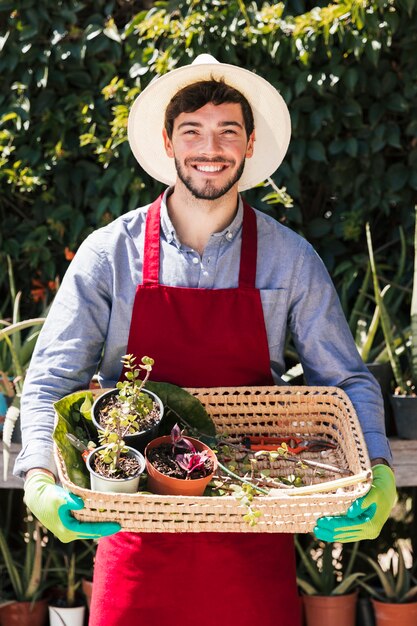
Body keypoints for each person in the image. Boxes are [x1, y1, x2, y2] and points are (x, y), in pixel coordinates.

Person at [16, 55, 396, 626]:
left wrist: (381, 473)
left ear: (247, 146)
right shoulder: (108, 254)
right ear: (168, 143)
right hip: (134, 527)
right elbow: (53, 376)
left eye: (228, 132)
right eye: (192, 130)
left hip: (253, 520)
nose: (209, 148)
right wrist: (41, 478)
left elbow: (344, 379)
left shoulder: (290, 259)